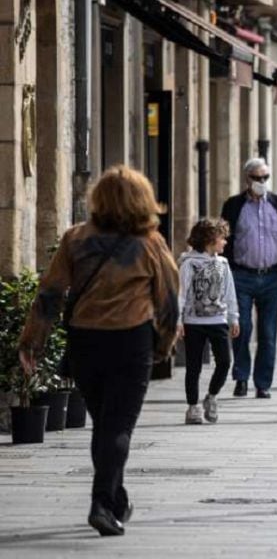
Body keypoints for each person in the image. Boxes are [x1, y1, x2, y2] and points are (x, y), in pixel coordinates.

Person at [18, 166, 179, 536]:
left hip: (85, 343)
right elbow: (169, 301)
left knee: (104, 423)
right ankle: (102, 502)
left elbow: (50, 293)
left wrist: (32, 341)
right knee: (117, 425)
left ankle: (115, 496)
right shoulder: (150, 242)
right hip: (130, 340)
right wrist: (165, 345)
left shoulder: (75, 238)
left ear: (99, 199)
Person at [221, 157, 277, 399]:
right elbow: (223, 239)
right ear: (247, 179)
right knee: (242, 329)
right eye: (257, 178)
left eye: (265, 177)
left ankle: (263, 383)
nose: (262, 182)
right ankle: (240, 378)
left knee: (269, 333)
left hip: (271, 277)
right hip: (241, 275)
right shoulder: (234, 205)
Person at [177, 218, 240, 425]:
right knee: (193, 366)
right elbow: (181, 293)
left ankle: (211, 396)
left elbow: (230, 292)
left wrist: (233, 317)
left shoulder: (223, 264)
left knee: (224, 362)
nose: (225, 242)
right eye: (222, 238)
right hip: (193, 322)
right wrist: (178, 320)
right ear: (210, 240)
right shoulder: (189, 264)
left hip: (218, 320)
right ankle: (192, 406)